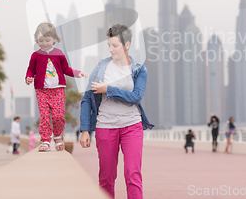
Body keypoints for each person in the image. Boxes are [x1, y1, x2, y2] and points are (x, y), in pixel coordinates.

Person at [79, 24, 154, 199]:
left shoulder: (138, 69)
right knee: (106, 178)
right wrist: (84, 130)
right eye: (109, 45)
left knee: (132, 174)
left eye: (115, 46)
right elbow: (87, 99)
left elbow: (136, 97)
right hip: (105, 126)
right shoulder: (100, 68)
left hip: (132, 126)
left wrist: (108, 89)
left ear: (127, 45)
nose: (111, 49)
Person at [26, 22, 88, 152]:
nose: (44, 43)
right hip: (41, 91)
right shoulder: (35, 55)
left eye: (47, 40)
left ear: (54, 39)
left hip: (58, 90)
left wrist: (78, 73)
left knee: (58, 116)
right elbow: (31, 69)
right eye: (40, 40)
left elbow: (66, 69)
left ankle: (58, 136)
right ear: (37, 40)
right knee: (44, 116)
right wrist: (29, 77)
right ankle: (45, 140)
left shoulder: (59, 53)